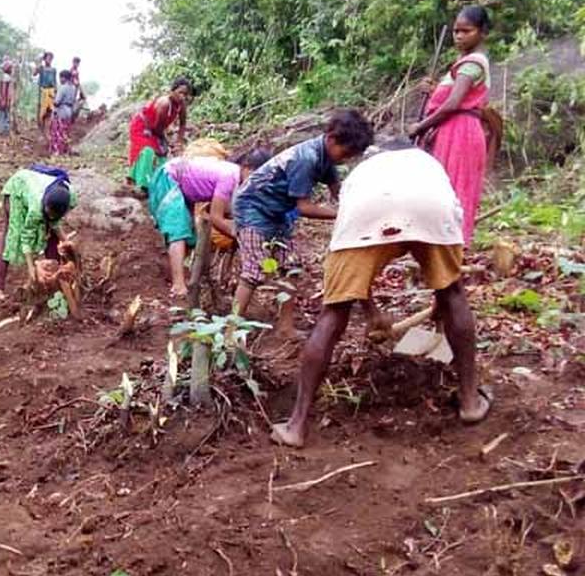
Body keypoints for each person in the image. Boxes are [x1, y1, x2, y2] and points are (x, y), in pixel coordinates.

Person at [270, 141, 487, 447]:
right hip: (431, 205)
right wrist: (440, 298)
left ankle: (296, 426)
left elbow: (354, 272)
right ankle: (469, 402)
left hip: (365, 210)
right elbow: (447, 271)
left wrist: (368, 308)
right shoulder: (427, 164)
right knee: (453, 292)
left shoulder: (362, 173)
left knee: (334, 311)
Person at [232, 109, 374, 323]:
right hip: (252, 209)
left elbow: (338, 191)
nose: (346, 159)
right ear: (332, 138)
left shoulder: (326, 158)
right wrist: (342, 214)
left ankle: (285, 326)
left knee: (291, 268)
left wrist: (357, 208)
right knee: (254, 272)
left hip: (276, 212)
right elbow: (304, 207)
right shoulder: (306, 159)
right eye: (346, 153)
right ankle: (231, 331)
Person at [407, 5, 493, 245]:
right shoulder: (463, 64)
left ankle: (451, 247)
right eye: (456, 31)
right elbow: (455, 96)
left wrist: (421, 126)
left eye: (467, 31)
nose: (459, 36)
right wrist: (434, 90)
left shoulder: (473, 64)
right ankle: (438, 245)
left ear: (482, 32)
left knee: (454, 189)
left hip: (461, 133)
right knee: (443, 189)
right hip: (451, 131)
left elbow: (454, 103)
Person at [148, 145, 272, 296]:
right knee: (178, 230)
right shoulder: (229, 177)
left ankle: (178, 274)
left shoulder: (237, 180)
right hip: (169, 176)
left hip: (184, 185)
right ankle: (178, 285)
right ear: (246, 167)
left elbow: (229, 211)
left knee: (189, 235)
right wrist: (241, 235)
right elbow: (216, 217)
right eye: (255, 175)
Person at [0, 166, 77, 299]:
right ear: (45, 205)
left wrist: (67, 244)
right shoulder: (37, 207)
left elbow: (54, 222)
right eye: (48, 212)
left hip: (35, 189)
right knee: (12, 236)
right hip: (16, 191)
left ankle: (53, 279)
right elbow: (27, 238)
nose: (50, 217)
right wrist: (32, 269)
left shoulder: (70, 198)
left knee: (53, 236)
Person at [128, 77, 192, 191]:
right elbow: (157, 130)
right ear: (172, 91)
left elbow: (183, 124)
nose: (182, 96)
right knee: (149, 151)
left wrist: (179, 143)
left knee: (162, 156)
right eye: (180, 92)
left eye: (185, 94)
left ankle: (156, 183)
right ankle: (140, 183)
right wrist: (167, 143)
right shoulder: (164, 104)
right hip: (143, 126)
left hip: (156, 129)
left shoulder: (181, 105)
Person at [49, 70, 77, 155]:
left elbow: (57, 102)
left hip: (61, 111)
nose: (60, 80)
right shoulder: (73, 88)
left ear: (64, 78)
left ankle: (57, 151)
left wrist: (53, 99)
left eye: (60, 78)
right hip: (69, 111)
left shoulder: (63, 87)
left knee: (58, 132)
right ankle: (65, 150)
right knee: (65, 131)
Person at [34, 52, 57, 130]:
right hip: (44, 91)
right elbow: (34, 73)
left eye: (51, 58)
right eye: (48, 58)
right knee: (42, 110)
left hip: (51, 91)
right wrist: (39, 64)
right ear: (45, 59)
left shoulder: (53, 70)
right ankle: (41, 126)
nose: (49, 60)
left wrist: (55, 91)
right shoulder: (41, 68)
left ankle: (49, 127)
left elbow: (55, 81)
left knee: (51, 110)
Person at [0, 62, 14, 135]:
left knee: (2, 115)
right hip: (5, 100)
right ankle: (4, 131)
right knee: (5, 115)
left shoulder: (3, 77)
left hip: (2, 100)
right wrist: (5, 100)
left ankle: (1, 130)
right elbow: (5, 90)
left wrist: (1, 98)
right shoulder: (7, 77)